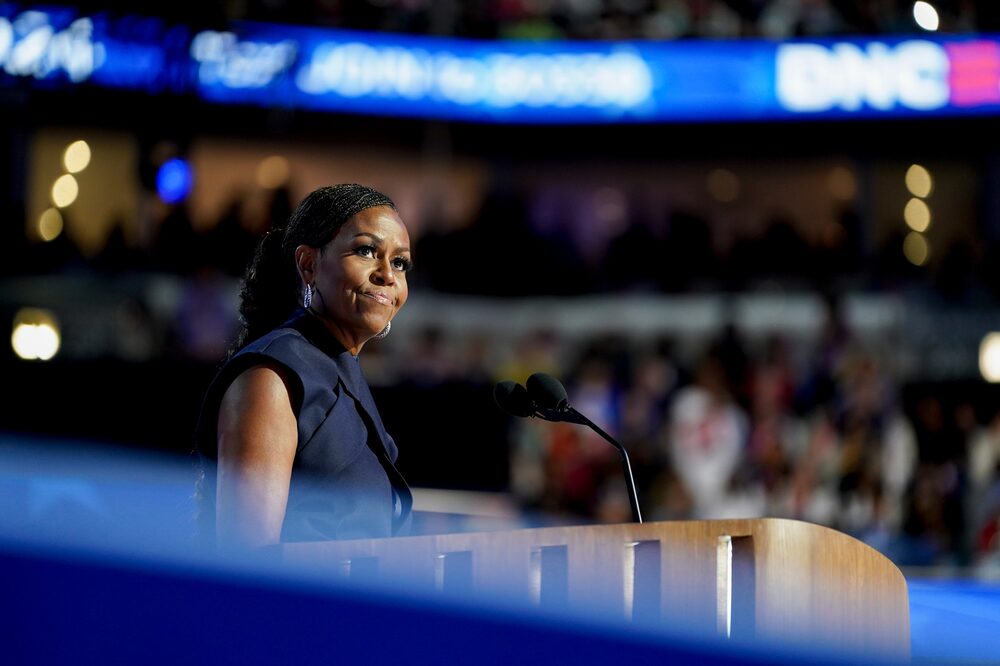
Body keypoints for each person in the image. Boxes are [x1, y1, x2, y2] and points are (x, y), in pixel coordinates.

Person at [196, 184, 413, 547]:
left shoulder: (340, 366)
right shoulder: (271, 377)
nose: (387, 275)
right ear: (309, 265)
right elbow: (247, 557)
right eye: (366, 251)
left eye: (400, 262)